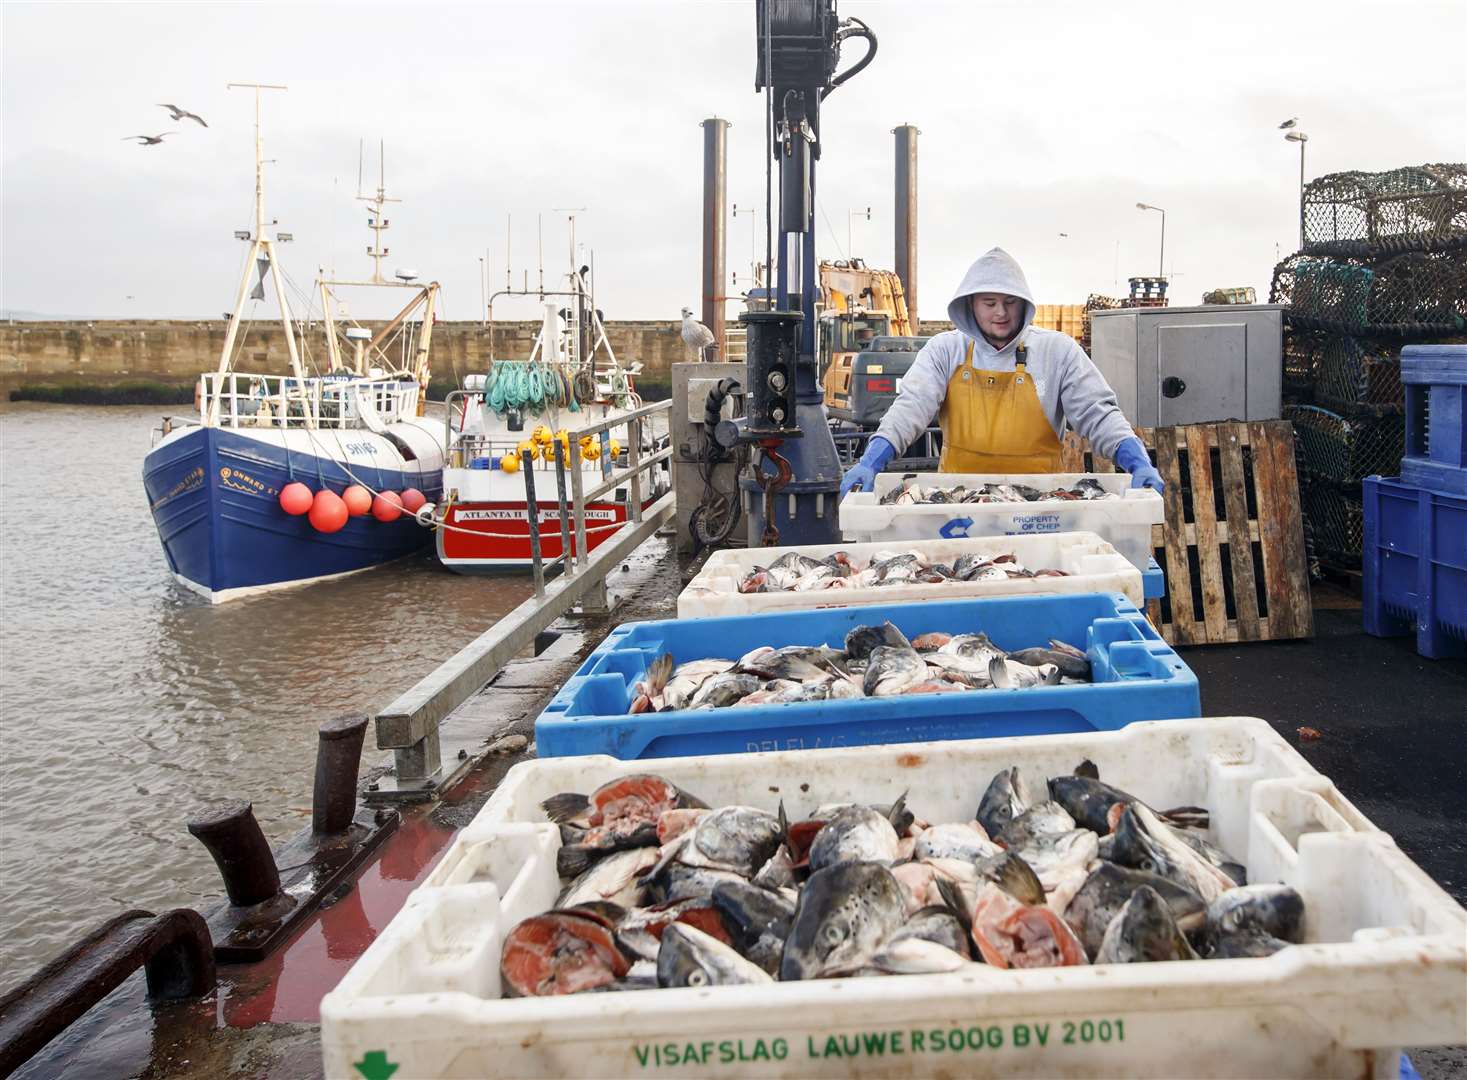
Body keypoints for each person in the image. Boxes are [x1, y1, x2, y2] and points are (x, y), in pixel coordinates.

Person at [840, 247, 1164, 496]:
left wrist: (1137, 461)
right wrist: (871, 461)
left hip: (1041, 507)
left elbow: (1099, 414)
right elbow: (910, 408)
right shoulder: (944, 350)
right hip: (959, 507)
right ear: (971, 305)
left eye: (1010, 302)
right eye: (990, 302)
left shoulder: (1057, 352)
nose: (1001, 313)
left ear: (1024, 304)